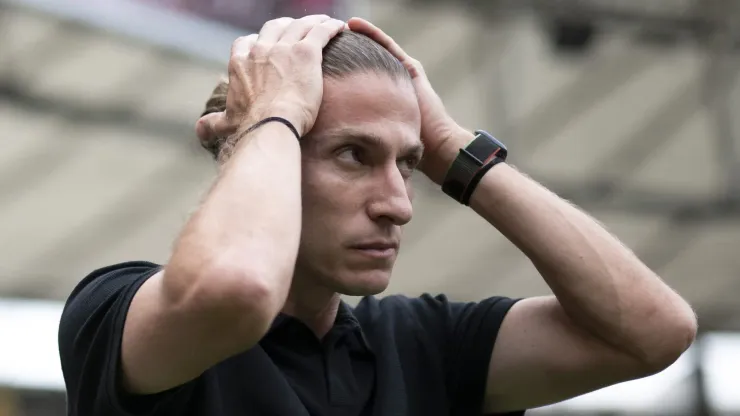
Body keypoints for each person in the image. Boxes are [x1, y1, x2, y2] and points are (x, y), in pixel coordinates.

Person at [58, 15, 698, 416]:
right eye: (354, 155)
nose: (397, 203)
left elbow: (652, 332)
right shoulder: (116, 310)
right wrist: (271, 114)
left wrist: (452, 149)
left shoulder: (421, 346)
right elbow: (236, 287)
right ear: (255, 147)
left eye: (409, 163)